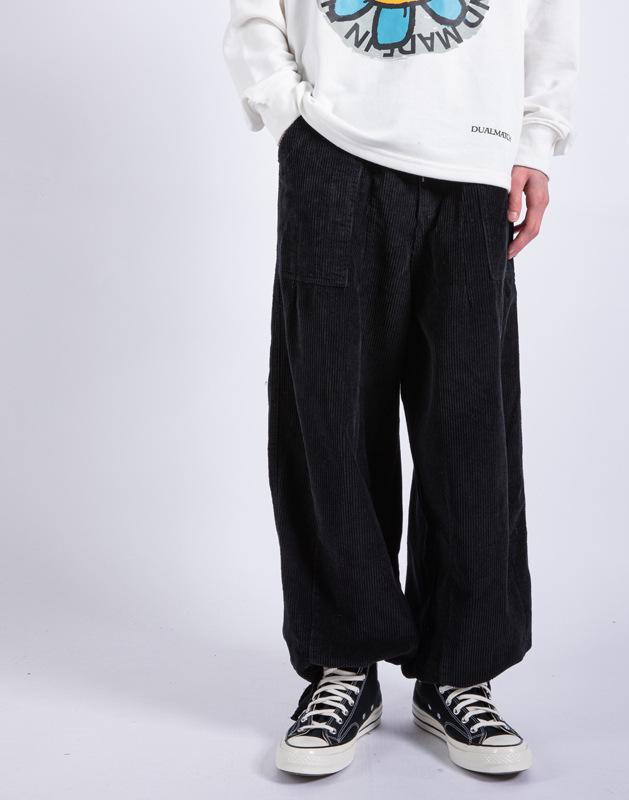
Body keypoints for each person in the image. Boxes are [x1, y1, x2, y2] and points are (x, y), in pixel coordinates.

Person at [223, 0, 579, 776]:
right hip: (333, 152)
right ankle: (343, 663)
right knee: (328, 418)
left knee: (470, 427)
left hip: (475, 161)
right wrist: (287, 113)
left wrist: (537, 138)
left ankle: (458, 671)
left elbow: (550, 13)